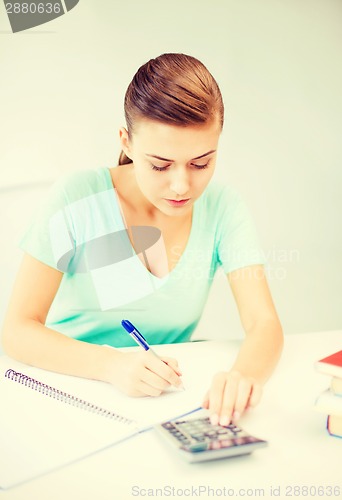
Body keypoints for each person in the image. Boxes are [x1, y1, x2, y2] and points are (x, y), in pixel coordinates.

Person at [1, 53, 283, 426]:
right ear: (127, 143)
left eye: (201, 163)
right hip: (68, 391)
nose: (182, 186)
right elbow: (17, 330)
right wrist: (111, 365)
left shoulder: (223, 208)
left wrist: (242, 377)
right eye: (160, 165)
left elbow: (264, 323)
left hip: (161, 403)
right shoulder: (76, 197)